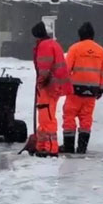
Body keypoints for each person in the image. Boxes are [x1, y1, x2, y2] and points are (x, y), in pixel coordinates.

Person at [61, 22, 103, 154]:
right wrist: (101, 88)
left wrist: (63, 86)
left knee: (69, 116)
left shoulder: (74, 49)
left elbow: (66, 69)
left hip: (74, 90)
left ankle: (69, 146)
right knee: (86, 118)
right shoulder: (101, 51)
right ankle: (82, 147)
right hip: (92, 91)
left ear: (80, 35)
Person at [32, 21, 73, 157]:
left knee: (47, 117)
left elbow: (44, 69)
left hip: (48, 87)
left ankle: (50, 148)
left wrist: (40, 83)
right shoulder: (52, 44)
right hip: (54, 86)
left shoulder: (44, 46)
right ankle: (42, 146)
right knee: (45, 116)